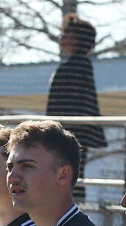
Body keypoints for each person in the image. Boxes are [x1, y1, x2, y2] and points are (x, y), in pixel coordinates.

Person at [47, 14, 107, 199]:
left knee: (68, 174)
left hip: (70, 134)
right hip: (75, 134)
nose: (62, 38)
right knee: (73, 174)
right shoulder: (80, 65)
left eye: (67, 34)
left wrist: (52, 131)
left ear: (78, 39)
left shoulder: (75, 66)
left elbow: (71, 105)